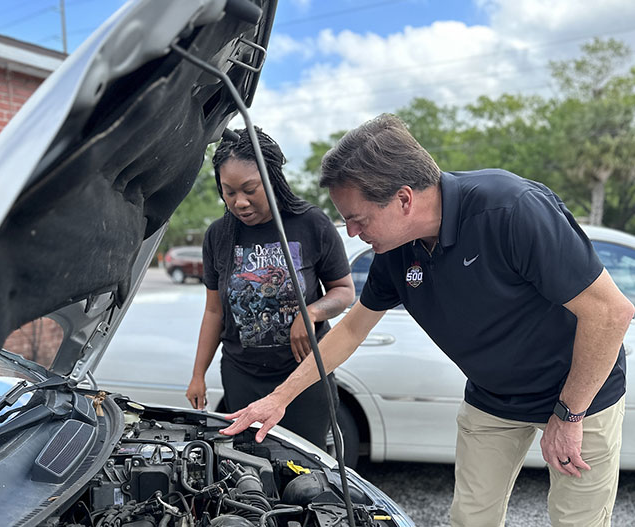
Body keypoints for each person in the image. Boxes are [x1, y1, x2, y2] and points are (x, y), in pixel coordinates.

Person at [219, 114, 635, 526]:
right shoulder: (396, 250)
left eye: (358, 219)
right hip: (493, 399)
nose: (349, 232)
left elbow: (611, 312)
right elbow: (350, 329)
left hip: (581, 394)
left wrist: (570, 414)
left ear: (403, 199)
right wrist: (279, 398)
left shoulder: (510, 209)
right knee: (471, 519)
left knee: (575, 521)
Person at [186, 127, 354, 450]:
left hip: (304, 377)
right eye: (229, 192)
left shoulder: (311, 224)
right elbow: (213, 311)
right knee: (252, 467)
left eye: (250, 189)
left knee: (307, 470)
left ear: (272, 178)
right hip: (242, 375)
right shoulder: (218, 236)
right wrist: (198, 374)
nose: (240, 202)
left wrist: (312, 313)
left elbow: (344, 291)